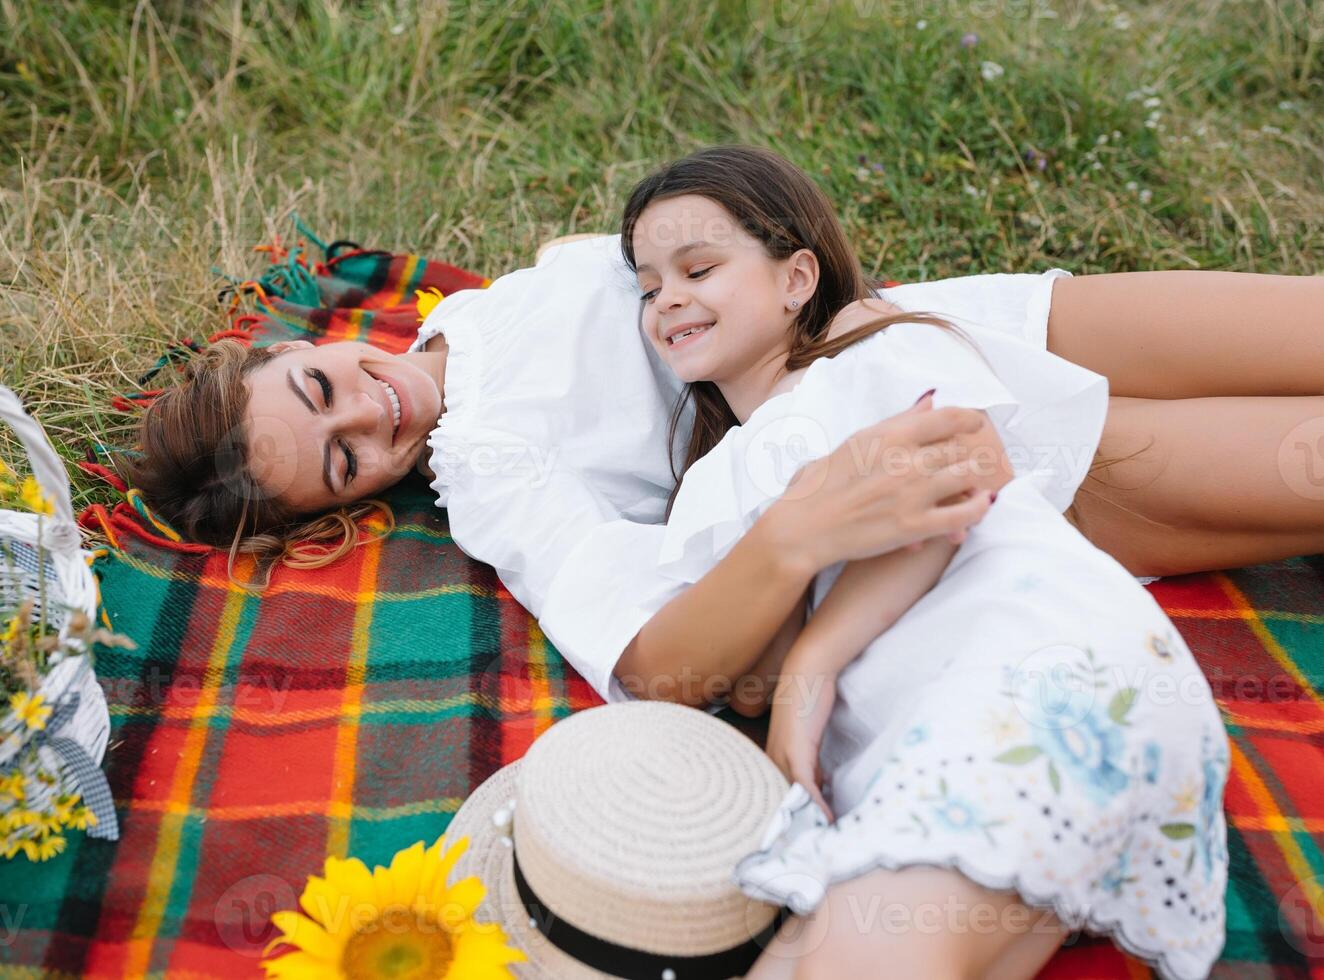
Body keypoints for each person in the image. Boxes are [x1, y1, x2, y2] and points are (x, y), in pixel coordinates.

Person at [121, 145, 1324, 716]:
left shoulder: (475, 309)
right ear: (343, 505)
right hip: (936, 431)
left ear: (299, 346)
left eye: (325, 390)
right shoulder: (490, 475)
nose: (371, 418)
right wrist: (798, 537)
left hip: (927, 318)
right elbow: (655, 661)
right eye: (343, 465)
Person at [622, 144, 1228, 980]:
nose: (669, 300)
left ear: (796, 279)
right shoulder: (709, 484)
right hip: (925, 740)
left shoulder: (857, 351)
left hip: (1035, 664)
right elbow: (752, 680)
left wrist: (814, 661)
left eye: (698, 267)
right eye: (649, 287)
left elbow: (960, 479)